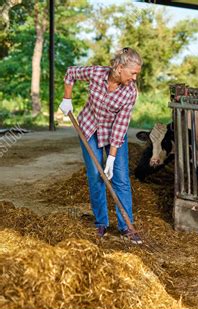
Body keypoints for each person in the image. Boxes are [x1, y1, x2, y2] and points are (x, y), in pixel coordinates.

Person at [59, 47, 143, 244]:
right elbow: (71, 72)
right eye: (133, 73)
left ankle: (126, 226)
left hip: (114, 134)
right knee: (96, 175)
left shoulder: (130, 93)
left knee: (120, 178)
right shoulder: (97, 73)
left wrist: (112, 158)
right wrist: (67, 98)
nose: (134, 78)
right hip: (90, 128)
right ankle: (101, 222)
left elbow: (121, 125)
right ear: (120, 67)